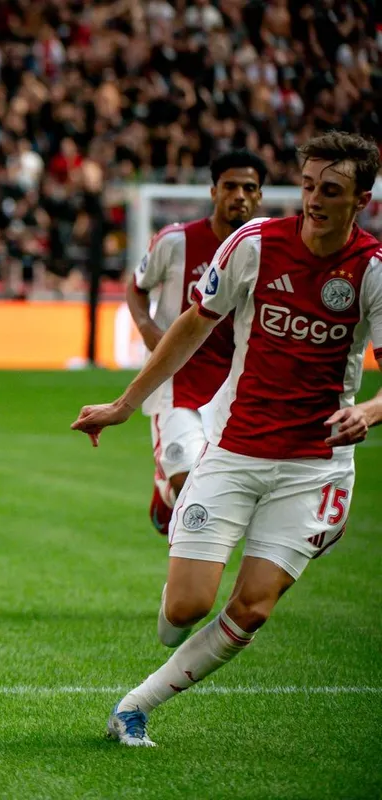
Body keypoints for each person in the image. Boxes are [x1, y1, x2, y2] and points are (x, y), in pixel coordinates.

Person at [72, 130, 382, 747]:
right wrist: (124, 404)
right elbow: (190, 326)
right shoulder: (255, 245)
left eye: (332, 190)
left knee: (253, 607)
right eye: (310, 185)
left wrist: (370, 412)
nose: (315, 200)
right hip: (235, 446)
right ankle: (177, 567)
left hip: (314, 466)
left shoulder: (372, 271)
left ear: (362, 199)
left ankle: (134, 708)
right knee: (184, 611)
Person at [127, 151, 266, 535]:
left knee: (222, 494)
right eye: (230, 186)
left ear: (260, 196)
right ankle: (172, 490)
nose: (239, 195)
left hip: (237, 387)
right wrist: (146, 328)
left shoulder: (269, 251)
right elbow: (136, 287)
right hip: (177, 384)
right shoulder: (175, 242)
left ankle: (168, 498)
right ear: (213, 191)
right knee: (191, 489)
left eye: (249, 188)